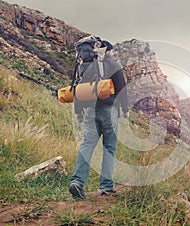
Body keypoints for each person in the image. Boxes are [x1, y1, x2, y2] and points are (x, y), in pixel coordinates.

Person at [69, 38, 129, 199]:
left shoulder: (84, 65)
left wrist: (78, 111)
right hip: (110, 110)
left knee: (87, 144)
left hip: (90, 110)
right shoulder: (113, 65)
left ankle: (77, 182)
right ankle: (106, 187)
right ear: (106, 50)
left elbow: (78, 90)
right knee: (109, 148)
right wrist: (125, 109)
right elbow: (122, 88)